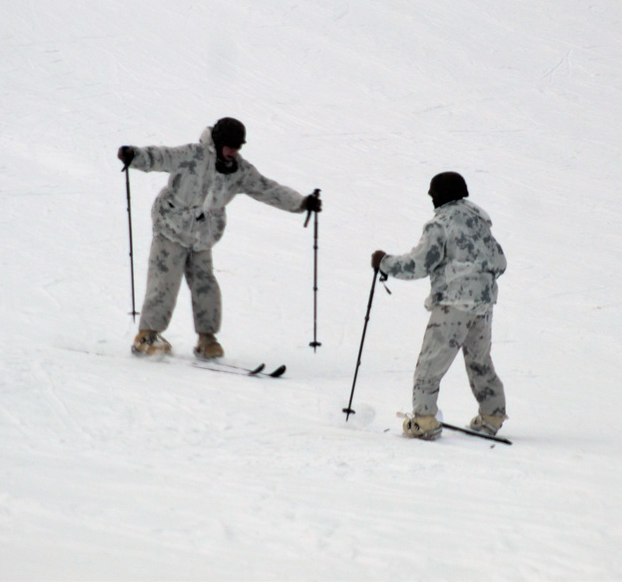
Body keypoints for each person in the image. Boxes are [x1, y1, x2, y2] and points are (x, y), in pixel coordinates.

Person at [118, 117, 321, 358]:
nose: (234, 151)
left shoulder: (240, 171)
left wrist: (301, 202)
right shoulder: (193, 155)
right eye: (230, 146)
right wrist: (134, 156)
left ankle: (207, 339)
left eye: (238, 147)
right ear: (218, 141)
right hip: (171, 226)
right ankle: (147, 335)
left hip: (202, 236)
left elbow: (267, 188)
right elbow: (161, 156)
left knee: (206, 285)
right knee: (164, 281)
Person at [371, 172, 508, 440]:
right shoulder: (479, 222)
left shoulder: (441, 224)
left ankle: (424, 420)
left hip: (453, 304)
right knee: (479, 360)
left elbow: (419, 264)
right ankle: (492, 415)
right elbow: (500, 261)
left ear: (441, 194)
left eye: (433, 192)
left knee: (430, 363)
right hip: (483, 303)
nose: (430, 197)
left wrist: (384, 262)